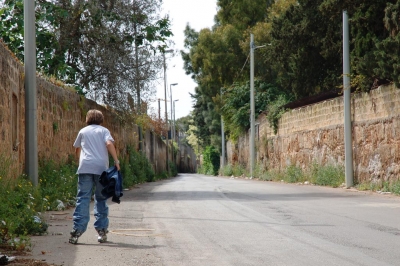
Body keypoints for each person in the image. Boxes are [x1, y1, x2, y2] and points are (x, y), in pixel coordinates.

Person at [69, 109, 120, 244]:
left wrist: (81, 161)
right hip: (101, 168)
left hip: (85, 167)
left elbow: (77, 149)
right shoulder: (104, 131)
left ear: (87, 119)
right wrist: (116, 161)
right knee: (101, 198)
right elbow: (109, 144)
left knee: (83, 198)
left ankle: (77, 231)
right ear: (101, 119)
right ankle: (102, 231)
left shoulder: (83, 131)